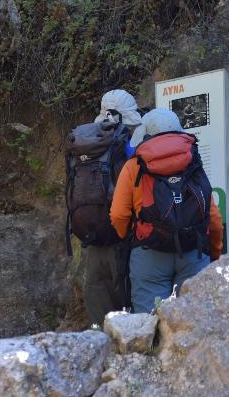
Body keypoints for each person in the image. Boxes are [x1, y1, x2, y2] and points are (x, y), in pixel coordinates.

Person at [109, 108, 223, 313]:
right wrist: (214, 252)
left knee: (149, 324)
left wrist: (131, 238)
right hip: (193, 250)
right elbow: (212, 214)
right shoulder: (192, 159)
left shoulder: (134, 165)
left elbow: (118, 214)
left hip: (148, 253)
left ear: (145, 134)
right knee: (196, 319)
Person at [78, 90, 141, 327]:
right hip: (123, 237)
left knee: (98, 306)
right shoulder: (130, 145)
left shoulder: (87, 142)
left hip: (92, 234)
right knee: (127, 310)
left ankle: (99, 349)